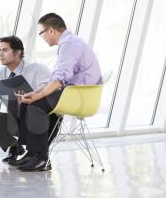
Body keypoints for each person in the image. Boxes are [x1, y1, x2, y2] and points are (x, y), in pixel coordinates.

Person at [16, 13, 102, 172]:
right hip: (75, 93)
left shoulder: (68, 44)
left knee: (35, 105)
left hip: (80, 96)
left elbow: (60, 79)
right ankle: (33, 153)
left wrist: (38, 96)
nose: (41, 37)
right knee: (27, 102)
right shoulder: (69, 43)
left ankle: (41, 158)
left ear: (51, 31)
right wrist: (35, 93)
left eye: (41, 33)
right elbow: (54, 78)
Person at [0, 36, 59, 164]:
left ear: (17, 53)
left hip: (39, 119)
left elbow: (51, 86)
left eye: (5, 50)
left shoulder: (37, 69)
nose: (0, 54)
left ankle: (37, 155)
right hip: (16, 119)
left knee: (41, 114)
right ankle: (15, 147)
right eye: (0, 50)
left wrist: (33, 94)